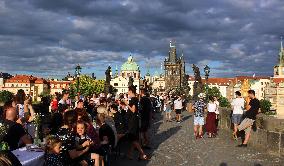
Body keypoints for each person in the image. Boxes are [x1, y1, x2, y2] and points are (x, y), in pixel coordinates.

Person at [125, 85, 149, 160]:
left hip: (133, 121)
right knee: (133, 139)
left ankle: (143, 154)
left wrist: (127, 104)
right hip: (134, 120)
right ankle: (130, 154)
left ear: (131, 91)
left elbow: (133, 110)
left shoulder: (133, 99)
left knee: (133, 139)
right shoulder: (135, 99)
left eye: (128, 91)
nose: (127, 92)